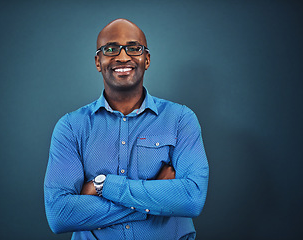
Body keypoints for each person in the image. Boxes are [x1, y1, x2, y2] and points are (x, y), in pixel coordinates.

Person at [44, 18, 209, 240]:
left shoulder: (180, 119)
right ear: (98, 61)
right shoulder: (71, 127)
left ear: (147, 59)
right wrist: (153, 197)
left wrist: (102, 186)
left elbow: (192, 199)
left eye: (134, 48)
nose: (123, 57)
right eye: (110, 49)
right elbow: (60, 214)